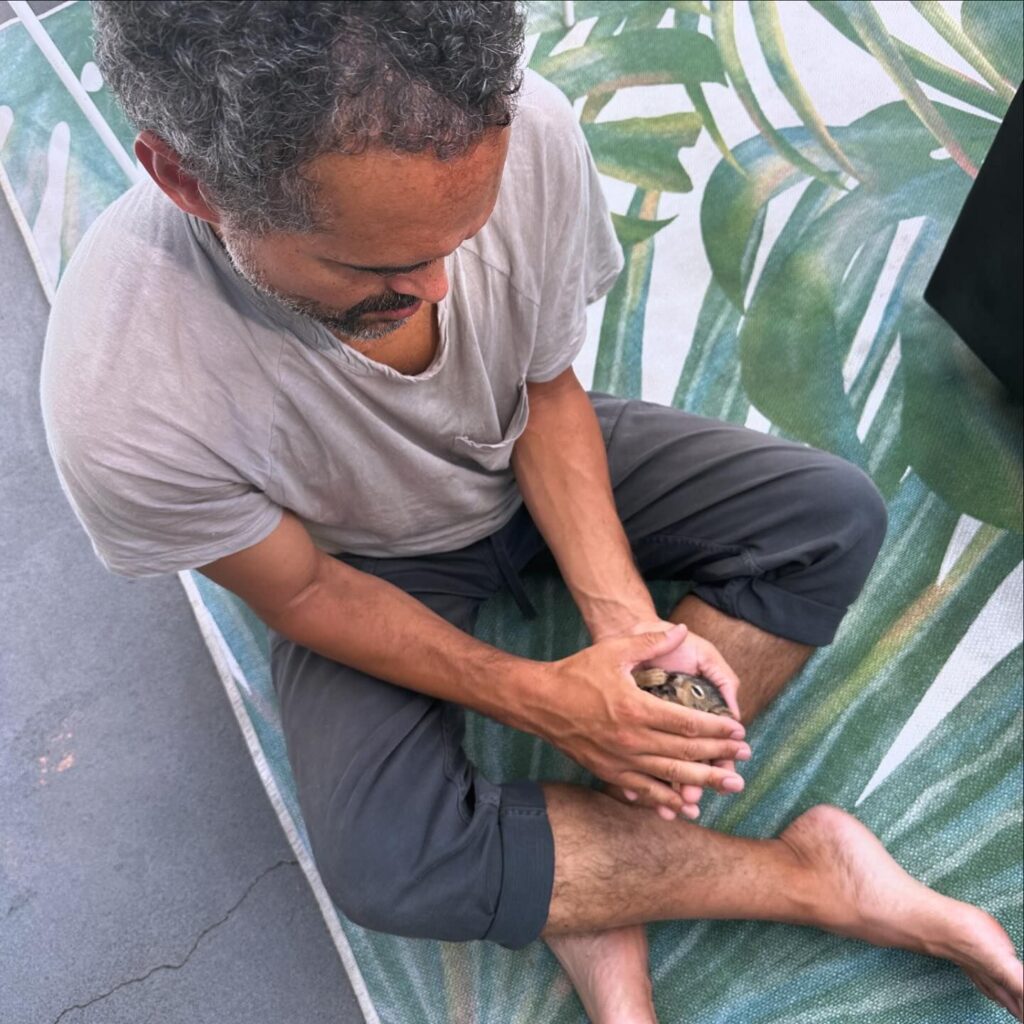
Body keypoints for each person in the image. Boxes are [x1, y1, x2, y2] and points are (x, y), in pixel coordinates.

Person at [40, 3, 1022, 1021]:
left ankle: (586, 882)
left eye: (463, 233)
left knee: (832, 513)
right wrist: (542, 697)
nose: (438, 286)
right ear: (188, 184)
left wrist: (624, 620)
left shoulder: (533, 129)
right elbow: (303, 587)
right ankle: (813, 877)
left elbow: (546, 393)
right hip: (362, 557)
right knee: (389, 862)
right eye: (372, 268)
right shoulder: (121, 391)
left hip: (519, 445)